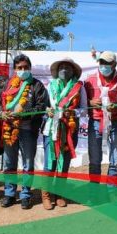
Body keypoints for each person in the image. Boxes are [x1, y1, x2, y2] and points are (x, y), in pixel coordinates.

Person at [0, 54, 47, 209]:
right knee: (9, 163)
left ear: (30, 68)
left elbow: (41, 108)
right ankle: (9, 193)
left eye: (25, 67)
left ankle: (26, 194)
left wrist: (24, 114)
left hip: (28, 130)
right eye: (19, 68)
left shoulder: (37, 85)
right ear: (15, 69)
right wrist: (3, 112)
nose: (22, 70)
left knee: (27, 164)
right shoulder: (9, 85)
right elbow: (3, 104)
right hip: (10, 128)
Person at [84, 51, 117, 186]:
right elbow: (82, 102)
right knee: (94, 160)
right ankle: (94, 191)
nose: (103, 65)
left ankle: (112, 191)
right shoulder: (90, 80)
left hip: (115, 122)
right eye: (101, 62)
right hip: (95, 123)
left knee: (116, 160)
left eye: (107, 63)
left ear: (115, 64)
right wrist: (90, 102)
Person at [41, 58, 85, 210]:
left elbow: (85, 110)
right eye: (62, 67)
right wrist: (48, 110)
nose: (64, 69)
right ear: (57, 70)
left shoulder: (79, 87)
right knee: (50, 162)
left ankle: (59, 194)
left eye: (68, 67)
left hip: (69, 130)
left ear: (73, 71)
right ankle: (46, 195)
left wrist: (73, 111)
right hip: (51, 129)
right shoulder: (50, 86)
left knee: (64, 163)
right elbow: (44, 106)